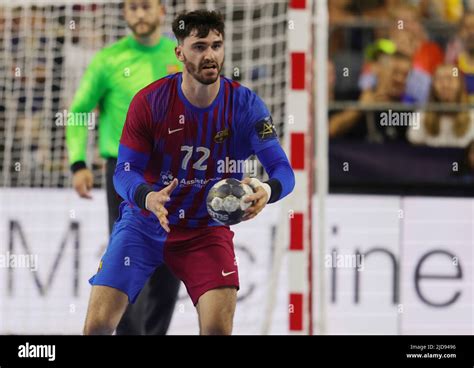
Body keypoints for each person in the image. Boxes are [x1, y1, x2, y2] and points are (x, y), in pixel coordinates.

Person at [82, 9, 295, 335]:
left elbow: (283, 170)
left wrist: (266, 190)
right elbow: (123, 172)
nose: (210, 55)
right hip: (144, 224)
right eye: (199, 46)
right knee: (96, 326)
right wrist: (148, 197)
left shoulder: (246, 106)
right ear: (179, 52)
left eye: (216, 45)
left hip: (206, 231)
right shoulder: (149, 102)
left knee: (216, 331)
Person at [65, 0, 182, 335]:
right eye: (131, 7)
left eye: (145, 6)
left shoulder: (179, 58)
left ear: (161, 11)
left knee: (171, 254)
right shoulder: (108, 60)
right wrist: (78, 162)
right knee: (127, 256)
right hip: (125, 171)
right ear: (124, 14)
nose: (139, 14)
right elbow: (78, 111)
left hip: (173, 172)